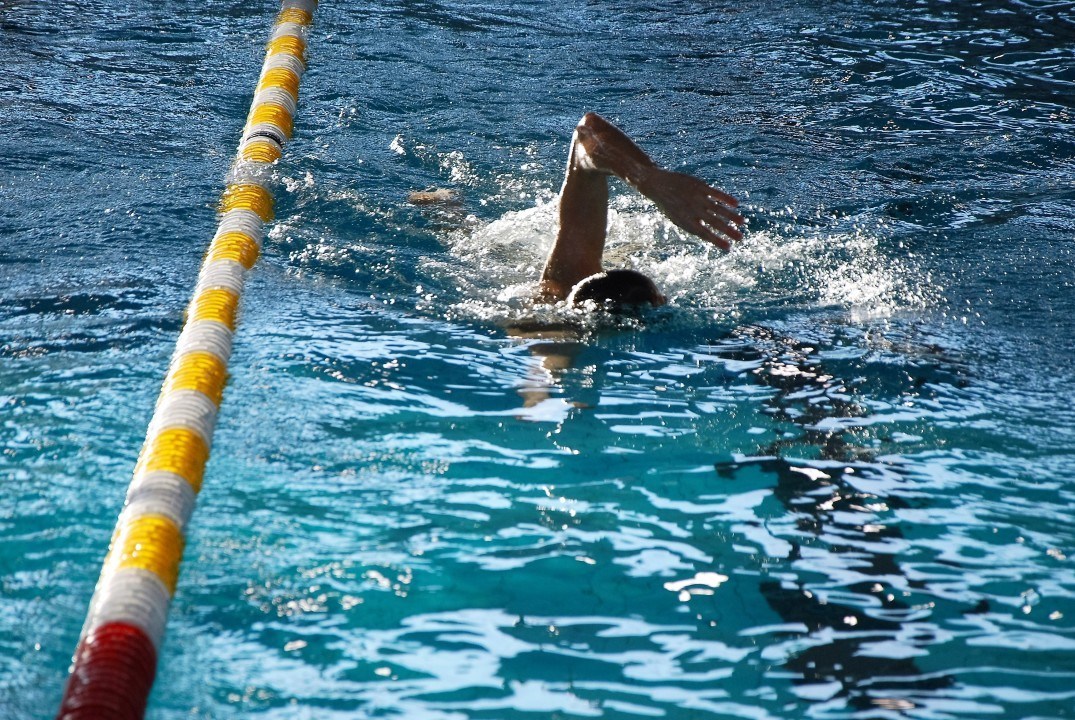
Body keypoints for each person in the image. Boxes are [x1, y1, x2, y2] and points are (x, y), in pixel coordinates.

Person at [537, 112, 744, 309]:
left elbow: (588, 131)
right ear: (660, 301)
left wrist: (647, 179)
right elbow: (588, 131)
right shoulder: (565, 287)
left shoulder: (566, 280)